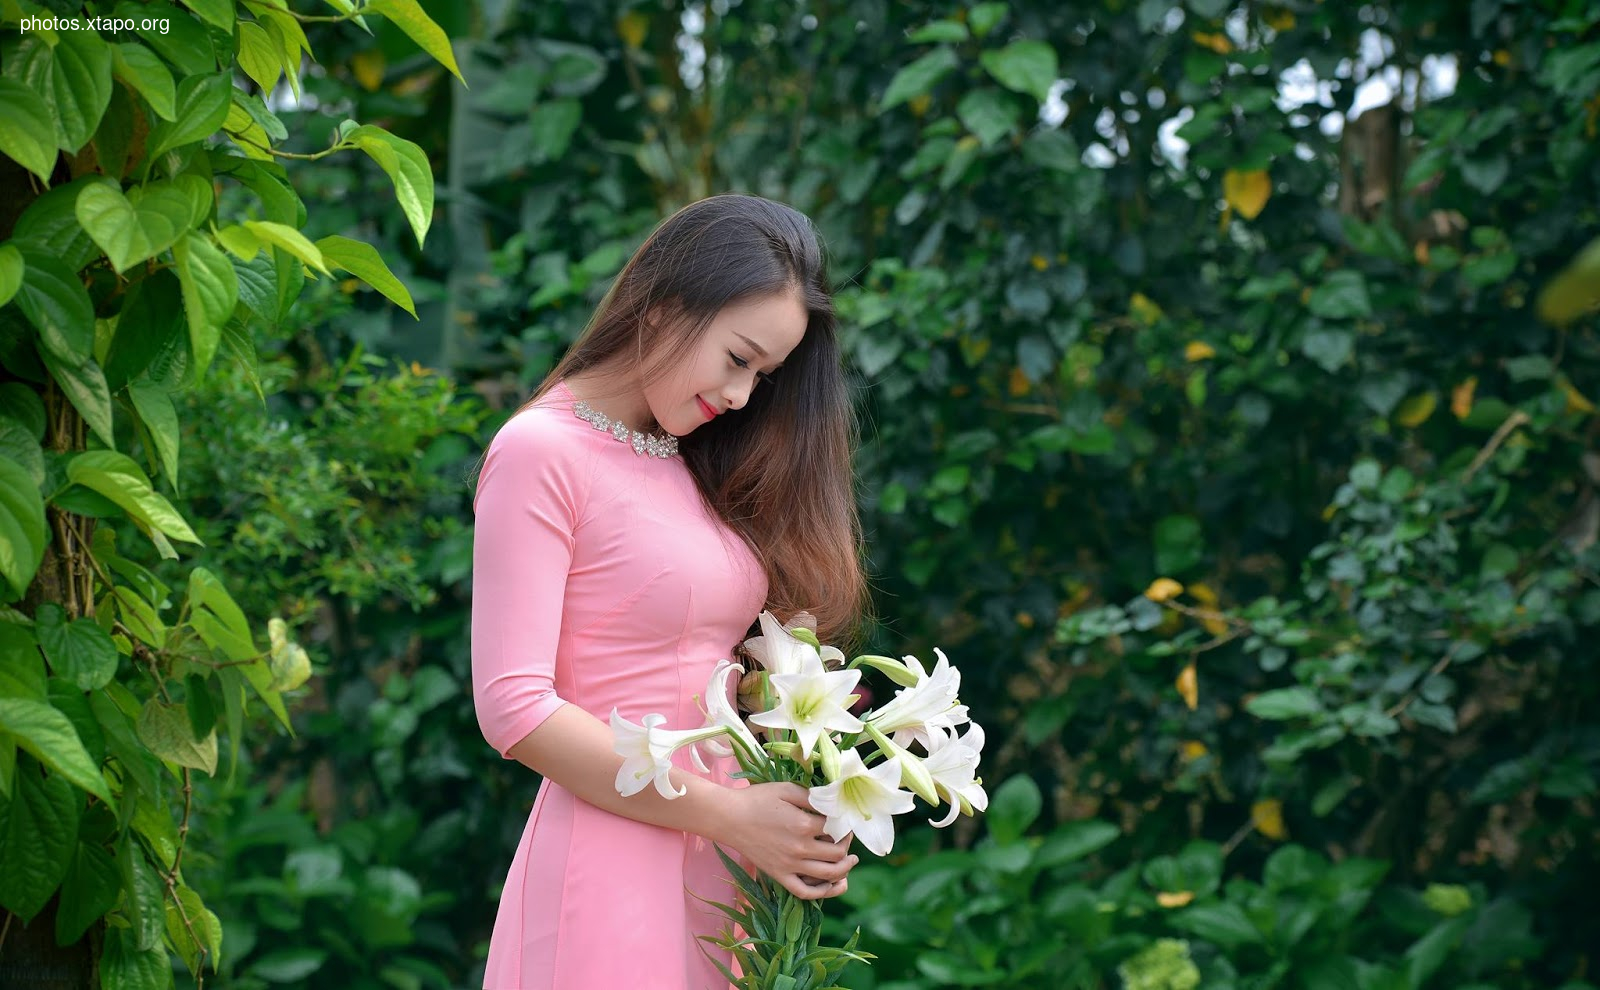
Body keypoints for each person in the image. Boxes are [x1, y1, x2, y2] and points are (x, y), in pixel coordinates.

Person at [469, 194, 872, 989]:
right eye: (738, 358)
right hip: (612, 862)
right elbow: (514, 706)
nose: (744, 395)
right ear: (665, 308)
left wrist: (790, 790)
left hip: (720, 868)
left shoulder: (688, 460)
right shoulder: (539, 451)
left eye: (765, 374)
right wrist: (729, 814)